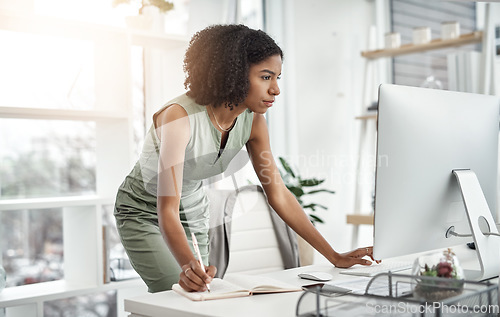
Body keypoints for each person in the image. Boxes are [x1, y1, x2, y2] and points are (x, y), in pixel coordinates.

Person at [114, 24, 376, 293]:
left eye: (277, 78)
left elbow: (279, 194)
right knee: (175, 293)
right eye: (265, 77)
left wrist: (334, 256)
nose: (275, 89)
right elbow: (166, 208)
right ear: (234, 73)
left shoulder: (254, 123)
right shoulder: (179, 118)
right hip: (142, 212)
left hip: (193, 213)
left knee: (200, 295)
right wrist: (188, 267)